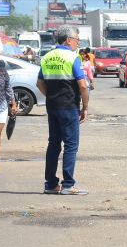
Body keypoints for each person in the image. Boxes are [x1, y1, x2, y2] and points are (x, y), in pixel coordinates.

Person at [37, 26, 90, 195]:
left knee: (53, 145)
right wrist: (85, 107)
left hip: (52, 106)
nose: (77, 43)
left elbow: (39, 83)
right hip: (69, 107)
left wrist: (51, 96)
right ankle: (68, 185)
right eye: (76, 40)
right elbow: (82, 85)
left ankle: (51, 184)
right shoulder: (73, 58)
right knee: (71, 145)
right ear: (68, 40)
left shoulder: (46, 57)